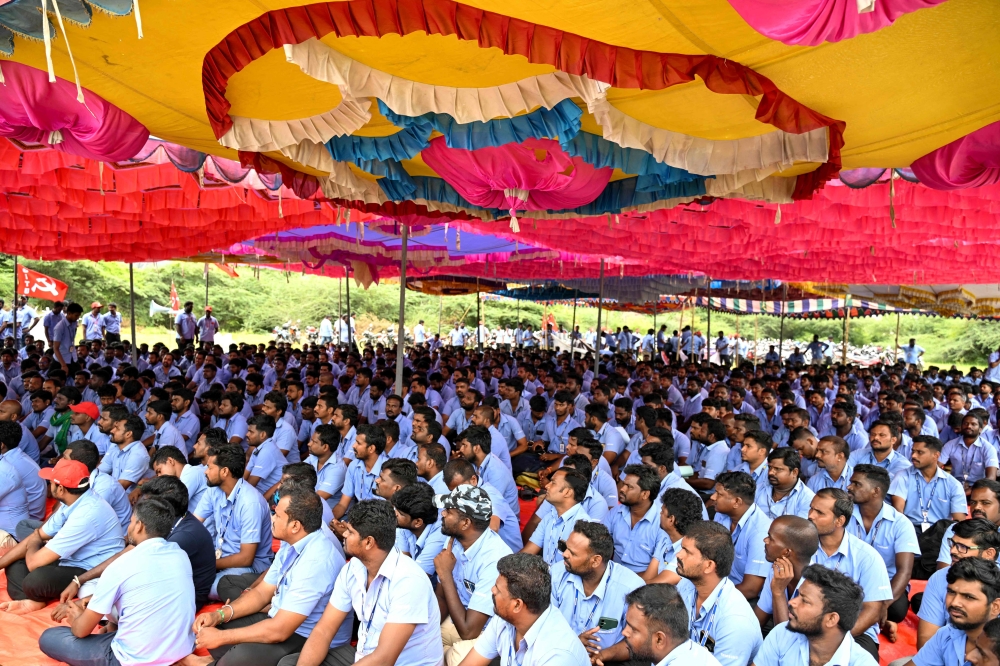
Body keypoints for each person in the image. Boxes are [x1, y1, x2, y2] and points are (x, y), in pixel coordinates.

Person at [187, 491, 349, 666]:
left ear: (295, 526)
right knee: (215, 628)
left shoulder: (317, 560)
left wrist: (222, 637)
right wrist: (219, 615)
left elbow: (280, 630)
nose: (272, 518)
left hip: (306, 635)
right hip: (281, 620)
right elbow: (262, 593)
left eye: (277, 515)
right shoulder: (291, 543)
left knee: (236, 656)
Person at [38, 495, 196, 666]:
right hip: (182, 648)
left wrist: (76, 617)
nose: (128, 528)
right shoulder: (180, 555)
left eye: (130, 522)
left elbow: (80, 631)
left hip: (133, 659)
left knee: (49, 637)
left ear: (139, 526)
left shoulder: (121, 565)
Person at [0, 459, 124, 614]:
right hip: (70, 559)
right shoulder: (73, 501)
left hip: (90, 569)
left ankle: (33, 598)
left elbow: (33, 562)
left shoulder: (86, 514)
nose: (48, 485)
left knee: (35, 580)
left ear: (60, 488)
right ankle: (32, 599)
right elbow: (40, 533)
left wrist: (34, 541)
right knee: (13, 561)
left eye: (50, 482)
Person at [457, 553, 589, 666]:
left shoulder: (556, 655)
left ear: (517, 605)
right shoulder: (503, 619)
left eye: (497, 589)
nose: (492, 590)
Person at [807, 488, 893, 661]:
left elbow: (872, 610)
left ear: (839, 521)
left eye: (819, 513)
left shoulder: (867, 557)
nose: (810, 516)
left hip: (853, 631)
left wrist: (832, 639)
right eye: (811, 509)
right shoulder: (802, 548)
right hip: (805, 625)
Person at [433, 484, 513, 666]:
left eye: (448, 511)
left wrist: (445, 575)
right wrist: (426, 632)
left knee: (456, 658)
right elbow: (441, 597)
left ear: (466, 523)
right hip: (459, 618)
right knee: (418, 642)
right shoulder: (454, 539)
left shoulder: (494, 560)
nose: (443, 514)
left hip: (488, 632)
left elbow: (470, 632)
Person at [549, 520, 644, 664]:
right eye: (564, 547)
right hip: (559, 653)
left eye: (572, 553)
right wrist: (573, 644)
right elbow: (544, 627)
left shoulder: (630, 587)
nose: (564, 554)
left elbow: (640, 642)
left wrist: (602, 656)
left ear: (595, 561)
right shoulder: (556, 575)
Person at [674, 521, 763, 666]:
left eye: (687, 551)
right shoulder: (687, 584)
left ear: (709, 565)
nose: (679, 554)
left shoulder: (735, 621)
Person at [846, 464, 921, 637]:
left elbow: (904, 571)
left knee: (897, 610)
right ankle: (878, 622)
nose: (849, 487)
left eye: (857, 484)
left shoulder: (901, 523)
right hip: (847, 579)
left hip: (883, 585)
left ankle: (876, 617)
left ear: (876, 491)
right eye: (851, 482)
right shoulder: (844, 514)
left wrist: (883, 605)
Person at [193, 443, 274, 600]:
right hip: (221, 559)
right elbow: (195, 522)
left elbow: (246, 558)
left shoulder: (250, 502)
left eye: (210, 467)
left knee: (206, 587)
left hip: (250, 567)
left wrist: (208, 565)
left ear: (224, 472)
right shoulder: (213, 490)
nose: (205, 471)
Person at [753, 564, 877, 666]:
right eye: (798, 595)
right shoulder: (782, 633)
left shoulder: (861, 663)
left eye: (805, 601)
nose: (792, 602)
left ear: (831, 619)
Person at [917, 518, 1000, 649]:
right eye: (953, 544)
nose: (953, 551)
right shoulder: (939, 578)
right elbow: (926, 641)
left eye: (963, 547)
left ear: (989, 554)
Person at [906, 557, 1000, 666]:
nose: (954, 602)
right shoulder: (947, 634)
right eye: (951, 592)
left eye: (968, 597)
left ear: (995, 607)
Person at [710, 471, 771, 600]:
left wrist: (709, 597)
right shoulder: (721, 514)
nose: (713, 497)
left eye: (719, 494)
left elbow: (751, 589)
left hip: (743, 598)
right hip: (719, 585)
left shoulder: (760, 532)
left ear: (737, 502)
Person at [890, 435, 969, 530]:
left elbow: (958, 521)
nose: (913, 456)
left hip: (940, 532)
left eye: (920, 452)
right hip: (910, 528)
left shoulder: (953, 484)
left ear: (936, 455)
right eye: (913, 451)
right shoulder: (903, 476)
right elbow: (898, 512)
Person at [753, 515, 821, 627]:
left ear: (786, 552)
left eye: (770, 538)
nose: (765, 540)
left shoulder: (817, 587)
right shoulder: (777, 569)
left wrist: (778, 592)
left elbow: (785, 638)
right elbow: (758, 621)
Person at [602, 465, 662, 574]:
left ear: (645, 494)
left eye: (629, 487)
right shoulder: (615, 512)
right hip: (612, 573)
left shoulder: (661, 522)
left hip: (644, 582)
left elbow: (657, 571)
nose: (622, 489)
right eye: (624, 484)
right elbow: (600, 543)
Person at [642, 487, 705, 584]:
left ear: (671, 519)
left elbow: (656, 585)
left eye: (662, 511)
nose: (660, 513)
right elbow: (648, 577)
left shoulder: (690, 550)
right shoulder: (666, 536)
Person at [332, 423, 388, 518]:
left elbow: (388, 513)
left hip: (380, 520)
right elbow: (343, 504)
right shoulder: (354, 465)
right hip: (358, 518)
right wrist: (331, 522)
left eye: (358, 443)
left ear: (371, 448)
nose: (353, 446)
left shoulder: (388, 470)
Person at [393, 482, 447, 576]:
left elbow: (417, 577)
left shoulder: (439, 533)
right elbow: (402, 562)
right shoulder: (404, 522)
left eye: (400, 514)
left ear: (418, 522)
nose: (395, 514)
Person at [941, 413, 999, 488]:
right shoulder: (950, 445)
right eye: (965, 423)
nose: (968, 426)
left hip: (978, 488)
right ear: (961, 426)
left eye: (973, 424)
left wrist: (970, 491)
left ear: (980, 429)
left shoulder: (988, 448)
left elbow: (991, 478)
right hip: (954, 486)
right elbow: (936, 466)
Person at [755, 447, 816, 519]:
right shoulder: (757, 489)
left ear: (794, 472)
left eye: (777, 469)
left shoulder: (808, 499)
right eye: (770, 467)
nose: (771, 472)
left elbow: (799, 529)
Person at [99, 414, 151, 491]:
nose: (112, 431)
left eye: (117, 429)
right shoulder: (115, 446)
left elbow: (120, 487)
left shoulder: (138, 455)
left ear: (128, 434)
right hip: (111, 492)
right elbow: (99, 471)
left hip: (127, 498)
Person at [52, 302, 83, 372]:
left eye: (78, 316)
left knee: (80, 376)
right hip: (61, 360)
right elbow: (55, 348)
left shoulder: (74, 323)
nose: (77, 318)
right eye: (76, 315)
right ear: (69, 313)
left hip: (72, 356)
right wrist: (63, 365)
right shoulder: (59, 327)